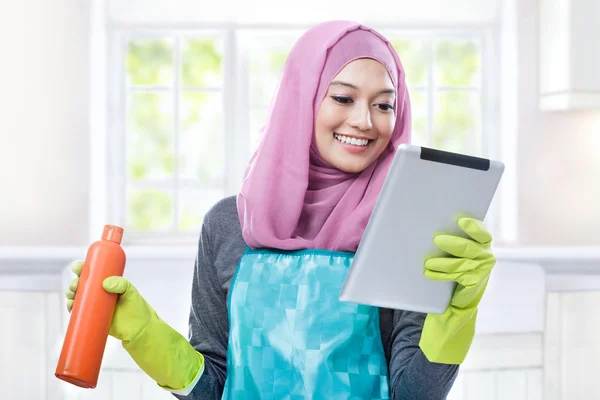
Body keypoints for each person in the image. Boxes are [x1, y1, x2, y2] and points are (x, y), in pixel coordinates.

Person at [65, 20, 496, 399]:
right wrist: (143, 331)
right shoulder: (229, 225)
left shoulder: (405, 227)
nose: (365, 121)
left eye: (384, 104)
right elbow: (213, 387)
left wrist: (456, 313)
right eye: (343, 98)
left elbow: (414, 396)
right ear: (301, 98)